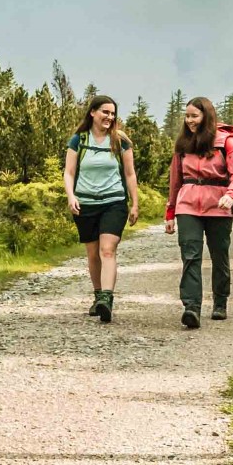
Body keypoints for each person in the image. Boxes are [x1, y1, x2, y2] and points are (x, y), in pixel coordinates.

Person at [163, 96, 233, 329]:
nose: (189, 121)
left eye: (194, 116)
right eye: (187, 116)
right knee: (190, 254)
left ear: (205, 116)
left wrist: (231, 194)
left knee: (219, 255)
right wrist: (170, 213)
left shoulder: (226, 141)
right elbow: (175, 181)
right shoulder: (182, 145)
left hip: (219, 204)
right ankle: (192, 307)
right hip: (187, 205)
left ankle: (220, 302)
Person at [64, 95, 139, 323]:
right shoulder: (79, 140)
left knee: (108, 250)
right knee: (93, 254)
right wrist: (71, 196)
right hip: (85, 204)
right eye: (105, 112)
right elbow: (69, 173)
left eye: (113, 113)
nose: (109, 117)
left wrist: (134, 203)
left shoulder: (120, 141)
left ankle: (107, 298)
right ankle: (98, 295)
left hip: (114, 202)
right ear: (93, 113)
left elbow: (129, 174)